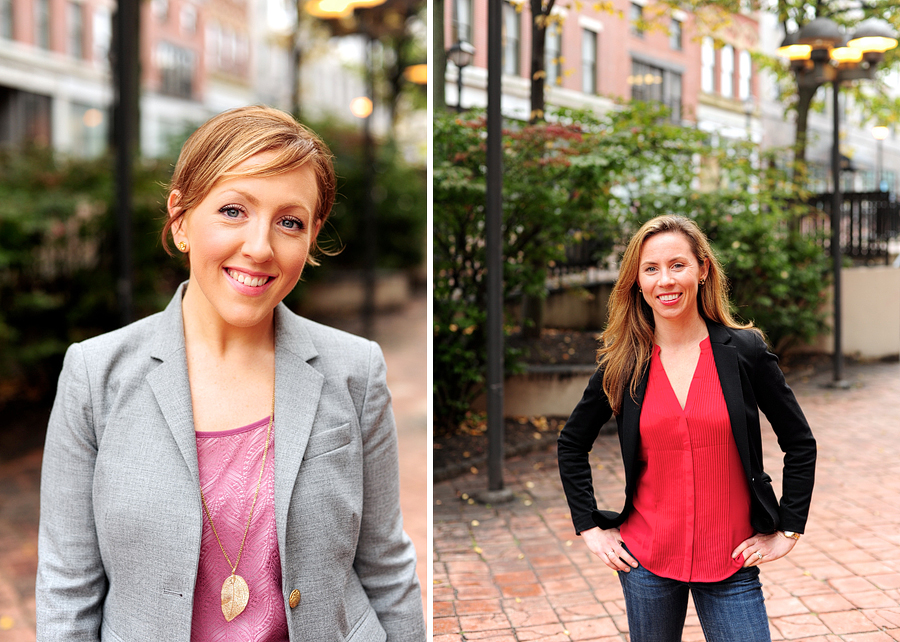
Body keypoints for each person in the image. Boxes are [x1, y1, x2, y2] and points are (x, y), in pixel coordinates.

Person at [36, 105, 425, 642]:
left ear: (311, 236)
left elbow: (384, 565)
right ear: (180, 219)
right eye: (233, 211)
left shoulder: (355, 370)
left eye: (289, 221)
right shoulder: (95, 374)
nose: (260, 247)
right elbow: (67, 584)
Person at [557, 215, 816, 642]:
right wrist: (589, 526)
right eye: (651, 269)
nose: (665, 280)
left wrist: (789, 528)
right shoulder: (624, 363)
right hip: (648, 563)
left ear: (703, 269)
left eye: (678, 264)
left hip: (732, 560)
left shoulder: (743, 351)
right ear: (637, 282)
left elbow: (800, 442)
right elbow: (571, 443)